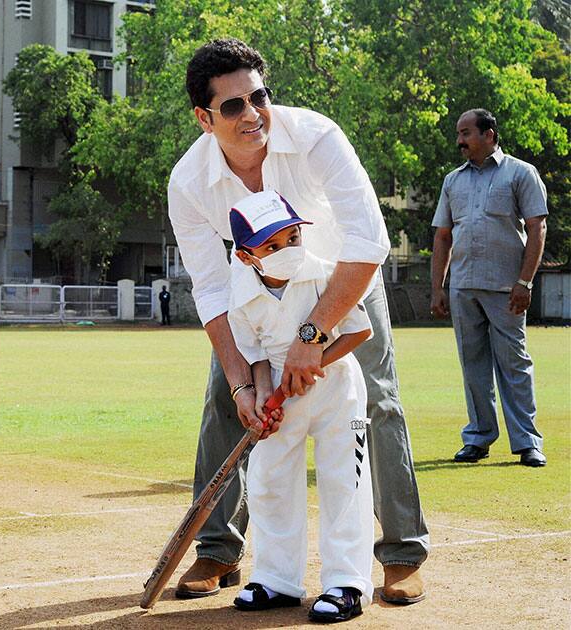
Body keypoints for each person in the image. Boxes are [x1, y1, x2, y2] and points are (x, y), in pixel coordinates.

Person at [167, 39, 428, 604]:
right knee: (225, 402)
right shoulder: (188, 181)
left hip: (342, 279)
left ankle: (402, 552)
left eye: (258, 97)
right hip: (257, 299)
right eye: (232, 106)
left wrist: (315, 336)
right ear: (203, 118)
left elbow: (368, 240)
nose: (252, 113)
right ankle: (218, 547)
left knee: (376, 401)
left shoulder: (315, 136)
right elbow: (212, 287)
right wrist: (242, 378)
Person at [228, 191, 374, 623]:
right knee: (268, 478)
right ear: (246, 256)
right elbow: (254, 355)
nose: (286, 250)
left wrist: (312, 362)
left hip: (338, 388)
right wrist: (259, 399)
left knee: (343, 479)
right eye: (271, 247)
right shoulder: (242, 296)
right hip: (279, 393)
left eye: (291, 238)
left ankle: (347, 583)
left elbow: (359, 332)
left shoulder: (325, 274)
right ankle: (276, 579)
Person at [431, 109, 547, 467]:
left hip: (505, 288)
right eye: (459, 133)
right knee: (473, 366)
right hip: (463, 287)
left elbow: (537, 229)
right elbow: (443, 236)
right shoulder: (452, 181)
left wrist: (524, 282)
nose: (460, 141)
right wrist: (438, 287)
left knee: (514, 364)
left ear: (490, 134)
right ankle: (478, 439)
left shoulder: (521, 173)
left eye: (466, 133)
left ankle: (527, 442)